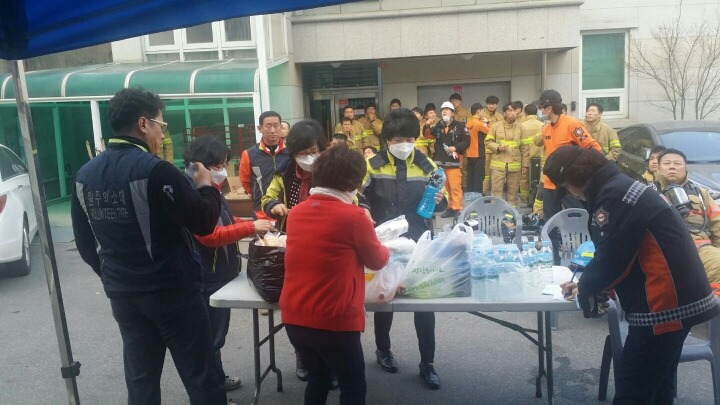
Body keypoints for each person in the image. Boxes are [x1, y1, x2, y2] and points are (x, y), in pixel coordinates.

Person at [71, 88, 227, 405]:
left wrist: (115, 275)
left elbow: (85, 244)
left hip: (124, 295)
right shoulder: (156, 170)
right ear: (144, 124)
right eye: (161, 125)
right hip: (172, 292)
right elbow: (203, 222)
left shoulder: (85, 175)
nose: (162, 134)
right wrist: (206, 186)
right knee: (202, 377)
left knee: (141, 382)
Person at [546, 146, 719, 405]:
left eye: (565, 187)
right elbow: (622, 250)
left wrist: (587, 288)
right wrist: (587, 285)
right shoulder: (620, 186)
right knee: (657, 387)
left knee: (634, 390)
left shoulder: (615, 195)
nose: (570, 194)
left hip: (664, 302)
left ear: (575, 178)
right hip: (677, 298)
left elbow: (613, 255)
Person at [282, 145, 390, 405]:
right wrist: (388, 247)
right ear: (354, 181)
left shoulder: (296, 213)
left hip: (295, 317)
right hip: (334, 320)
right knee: (352, 388)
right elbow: (377, 260)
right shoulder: (354, 217)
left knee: (318, 379)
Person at [361, 108, 447, 390]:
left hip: (419, 242)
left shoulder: (427, 165)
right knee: (383, 298)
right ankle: (383, 350)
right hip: (384, 242)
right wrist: (364, 210)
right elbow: (357, 194)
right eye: (398, 140)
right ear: (387, 140)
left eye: (409, 139)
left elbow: (442, 202)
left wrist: (440, 200)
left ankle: (427, 363)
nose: (404, 144)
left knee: (424, 304)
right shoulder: (372, 165)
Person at [184, 135, 275, 394]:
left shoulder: (211, 189)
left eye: (225, 164)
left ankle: (217, 380)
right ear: (199, 165)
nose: (223, 170)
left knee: (216, 336)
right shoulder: (194, 194)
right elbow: (210, 235)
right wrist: (250, 228)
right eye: (218, 165)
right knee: (210, 338)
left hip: (220, 274)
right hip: (208, 276)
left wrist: (251, 222)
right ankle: (213, 390)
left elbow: (225, 218)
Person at [533, 89, 602, 221]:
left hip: (570, 183)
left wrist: (581, 171)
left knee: (576, 218)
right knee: (551, 219)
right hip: (551, 182)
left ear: (549, 108)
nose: (540, 111)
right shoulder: (546, 129)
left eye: (541, 107)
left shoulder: (572, 125)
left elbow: (594, 148)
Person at [656, 148, 720, 284]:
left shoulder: (700, 193)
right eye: (667, 163)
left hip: (700, 248)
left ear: (685, 168)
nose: (672, 167)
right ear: (658, 168)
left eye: (677, 163)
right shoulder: (646, 193)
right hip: (662, 252)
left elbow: (717, 223)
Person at [239, 111, 290, 220]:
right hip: (262, 213)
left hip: (287, 211)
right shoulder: (249, 154)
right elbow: (245, 182)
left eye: (276, 126)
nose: (273, 130)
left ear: (281, 127)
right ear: (260, 128)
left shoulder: (291, 153)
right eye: (268, 126)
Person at [485, 102, 529, 207]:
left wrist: (525, 165)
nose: (513, 113)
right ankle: (496, 212)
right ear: (504, 113)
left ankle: (511, 213)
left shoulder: (521, 128)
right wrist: (498, 147)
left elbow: (525, 148)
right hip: (498, 164)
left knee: (513, 193)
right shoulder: (496, 127)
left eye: (515, 110)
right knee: (496, 191)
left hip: (515, 165)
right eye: (510, 110)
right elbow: (488, 142)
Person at [432, 101, 470, 218]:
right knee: (446, 188)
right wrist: (427, 125)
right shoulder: (438, 125)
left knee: (455, 186)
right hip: (440, 162)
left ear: (452, 113)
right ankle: (450, 208)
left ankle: (457, 209)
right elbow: (428, 134)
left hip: (453, 162)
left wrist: (456, 147)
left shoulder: (460, 126)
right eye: (442, 110)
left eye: (447, 110)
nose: (444, 111)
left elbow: (467, 141)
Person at [520, 104, 544, 205]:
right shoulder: (542, 125)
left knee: (524, 178)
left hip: (526, 156)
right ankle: (537, 197)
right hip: (540, 156)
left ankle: (525, 197)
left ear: (525, 113)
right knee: (540, 179)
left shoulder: (522, 126)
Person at [480, 96, 504, 195]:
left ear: (496, 105)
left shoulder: (500, 117)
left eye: (493, 104)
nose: (491, 106)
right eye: (489, 104)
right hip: (485, 148)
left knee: (497, 172)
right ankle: (484, 191)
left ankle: (496, 192)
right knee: (485, 172)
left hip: (497, 149)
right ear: (486, 104)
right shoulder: (481, 115)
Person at [464, 102, 487, 193]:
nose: (483, 112)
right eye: (483, 110)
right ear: (478, 111)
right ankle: (477, 195)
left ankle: (470, 194)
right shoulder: (479, 123)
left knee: (470, 175)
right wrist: (487, 122)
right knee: (478, 176)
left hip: (469, 153)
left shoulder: (468, 123)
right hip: (478, 153)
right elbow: (490, 131)